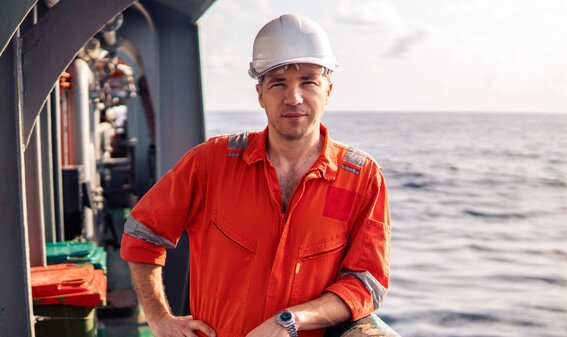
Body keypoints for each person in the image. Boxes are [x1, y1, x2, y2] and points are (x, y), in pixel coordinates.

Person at [120, 14, 390, 337]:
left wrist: (291, 320)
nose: (294, 97)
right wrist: (159, 318)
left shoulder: (361, 179)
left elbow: (366, 282)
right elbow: (142, 233)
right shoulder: (212, 164)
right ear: (260, 93)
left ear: (328, 90)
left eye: (308, 81)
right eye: (278, 83)